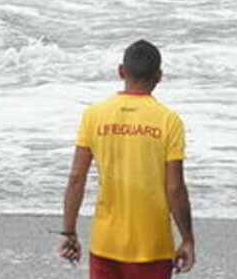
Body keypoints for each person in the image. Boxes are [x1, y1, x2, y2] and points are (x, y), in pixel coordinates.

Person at [58, 39, 195, 278]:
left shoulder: (94, 115)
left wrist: (69, 233)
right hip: (153, 245)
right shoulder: (168, 120)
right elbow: (174, 188)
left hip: (105, 243)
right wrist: (187, 240)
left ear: (121, 71)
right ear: (159, 76)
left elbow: (76, 178)